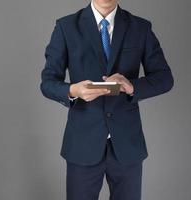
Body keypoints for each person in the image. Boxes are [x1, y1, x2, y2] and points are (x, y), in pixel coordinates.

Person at [40, 0, 174, 199]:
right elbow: (48, 82)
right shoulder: (66, 27)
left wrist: (132, 86)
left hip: (127, 144)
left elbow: (164, 78)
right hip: (82, 144)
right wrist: (73, 90)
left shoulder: (140, 27)